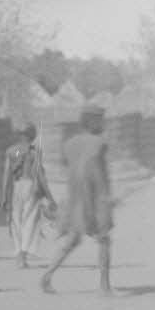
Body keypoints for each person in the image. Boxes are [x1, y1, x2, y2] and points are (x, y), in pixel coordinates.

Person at [41, 106, 113, 295]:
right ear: (95, 122)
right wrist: (106, 197)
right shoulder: (100, 143)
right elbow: (98, 172)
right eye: (102, 120)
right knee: (104, 240)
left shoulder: (69, 143)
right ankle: (104, 286)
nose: (104, 123)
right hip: (94, 199)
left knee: (73, 239)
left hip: (75, 198)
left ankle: (47, 275)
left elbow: (67, 166)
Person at [1, 124, 56, 269]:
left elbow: (6, 175)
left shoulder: (11, 151)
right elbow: (40, 175)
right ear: (32, 136)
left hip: (15, 187)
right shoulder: (35, 152)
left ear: (20, 135)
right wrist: (50, 196)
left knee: (16, 222)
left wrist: (3, 197)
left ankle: (19, 254)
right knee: (30, 221)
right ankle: (22, 257)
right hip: (31, 187)